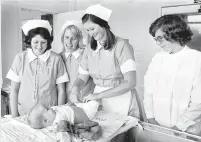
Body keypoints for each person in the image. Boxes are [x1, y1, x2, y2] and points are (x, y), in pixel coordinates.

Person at [70, 4, 140, 141]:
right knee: (101, 135)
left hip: (121, 98)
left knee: (118, 136)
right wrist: (75, 88)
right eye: (87, 30)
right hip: (99, 100)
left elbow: (131, 82)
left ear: (103, 25)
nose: (90, 33)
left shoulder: (122, 46)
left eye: (92, 28)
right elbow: (82, 76)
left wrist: (99, 95)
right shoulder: (90, 49)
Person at [144, 15, 201, 136]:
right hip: (158, 124)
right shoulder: (158, 58)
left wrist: (178, 127)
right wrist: (150, 117)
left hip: (186, 129)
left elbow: (198, 101)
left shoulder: (197, 59)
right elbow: (148, 91)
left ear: (174, 34)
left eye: (160, 38)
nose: (157, 43)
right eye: (155, 39)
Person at [6, 20, 69, 118]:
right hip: (24, 113)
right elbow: (14, 90)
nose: (39, 46)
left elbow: (61, 90)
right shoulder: (20, 58)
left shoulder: (56, 59)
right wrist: (14, 116)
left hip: (48, 114)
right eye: (36, 42)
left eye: (43, 42)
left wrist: (59, 114)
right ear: (29, 41)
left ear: (48, 42)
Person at [59, 20, 95, 102]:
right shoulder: (59, 57)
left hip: (84, 100)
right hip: (65, 101)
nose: (69, 42)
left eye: (73, 38)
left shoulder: (86, 55)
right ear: (62, 38)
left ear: (79, 39)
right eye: (66, 37)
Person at [27, 100, 99, 129]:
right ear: (46, 121)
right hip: (86, 114)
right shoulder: (58, 122)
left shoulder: (52, 114)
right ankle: (98, 105)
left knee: (81, 100)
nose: (50, 107)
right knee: (93, 103)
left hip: (76, 107)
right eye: (47, 109)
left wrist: (67, 105)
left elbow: (61, 107)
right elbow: (64, 129)